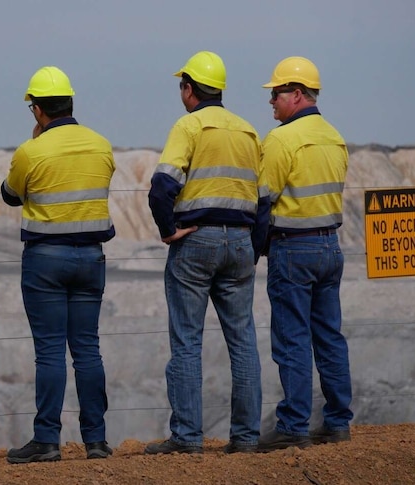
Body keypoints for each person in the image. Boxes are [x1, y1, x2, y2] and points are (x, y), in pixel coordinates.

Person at [146, 51, 268, 455]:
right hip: (240, 242)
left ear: (189, 89)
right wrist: (254, 246)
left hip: (195, 240)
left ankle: (187, 437)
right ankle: (247, 438)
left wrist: (169, 231)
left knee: (186, 340)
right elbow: (264, 200)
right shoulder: (248, 131)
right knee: (243, 340)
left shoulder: (189, 125)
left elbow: (162, 186)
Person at [2, 66, 116, 463]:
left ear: (37, 110)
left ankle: (47, 441)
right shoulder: (101, 145)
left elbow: (11, 195)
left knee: (49, 352)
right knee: (87, 349)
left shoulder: (31, 150)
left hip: (46, 259)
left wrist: (35, 144)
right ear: (70, 102)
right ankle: (97, 441)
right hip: (91, 257)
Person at [256, 56, 353, 452]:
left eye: (276, 94)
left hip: (293, 248)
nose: (271, 102)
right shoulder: (334, 136)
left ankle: (294, 425)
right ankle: (337, 422)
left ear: (297, 94)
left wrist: (257, 249)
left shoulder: (280, 140)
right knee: (329, 337)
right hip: (330, 245)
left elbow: (263, 202)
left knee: (292, 338)